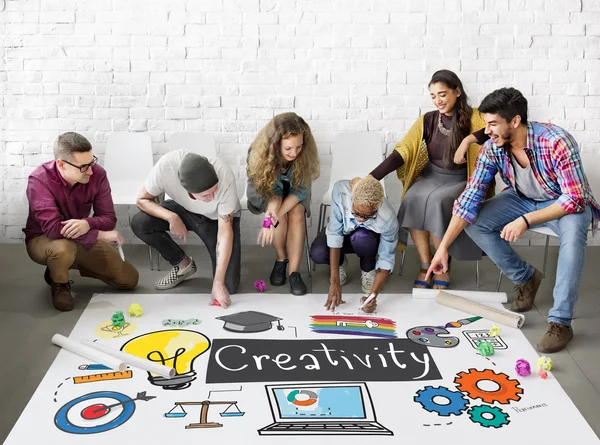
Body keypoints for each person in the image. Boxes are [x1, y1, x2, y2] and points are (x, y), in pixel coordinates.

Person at [427, 87, 600, 353]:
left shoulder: (556, 141)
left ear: (515, 121)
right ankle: (526, 278)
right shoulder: (492, 147)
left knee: (574, 237)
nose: (488, 130)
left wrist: (526, 221)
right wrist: (442, 250)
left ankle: (560, 322)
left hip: (562, 203)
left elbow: (575, 198)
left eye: (494, 123)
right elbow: (468, 200)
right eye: (486, 123)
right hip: (521, 198)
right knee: (475, 221)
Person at [370, 69, 492, 290]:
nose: (438, 100)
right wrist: (373, 177)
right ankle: (427, 264)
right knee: (413, 197)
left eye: (442, 94)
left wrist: (467, 142)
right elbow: (404, 150)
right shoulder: (427, 119)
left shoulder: (476, 117)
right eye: (433, 96)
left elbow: (493, 129)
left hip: (461, 180)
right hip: (431, 175)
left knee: (437, 202)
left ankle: (442, 266)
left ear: (457, 91)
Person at [23, 132, 139, 311]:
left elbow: (109, 218)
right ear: (61, 164)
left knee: (129, 279)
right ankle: (59, 283)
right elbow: (53, 229)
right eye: (84, 166)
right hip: (43, 239)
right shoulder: (39, 180)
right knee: (63, 247)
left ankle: (60, 266)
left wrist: (87, 224)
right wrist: (98, 234)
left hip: (81, 236)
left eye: (92, 162)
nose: (91, 170)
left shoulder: (98, 175)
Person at [131, 149, 241, 308]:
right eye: (206, 195)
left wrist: (218, 283)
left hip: (217, 218)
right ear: (189, 192)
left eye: (214, 190)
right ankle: (183, 264)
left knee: (228, 285)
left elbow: (225, 232)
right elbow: (142, 200)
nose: (212, 197)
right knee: (140, 223)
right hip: (183, 209)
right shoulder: (165, 167)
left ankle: (219, 281)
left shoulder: (224, 175)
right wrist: (171, 217)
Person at [246, 112, 320, 296]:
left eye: (299, 147)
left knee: (296, 213)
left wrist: (273, 218)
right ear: (275, 144)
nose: (294, 153)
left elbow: (300, 191)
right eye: (288, 148)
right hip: (266, 193)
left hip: (295, 193)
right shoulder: (258, 154)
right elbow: (269, 193)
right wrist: (273, 213)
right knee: (280, 216)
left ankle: (294, 271)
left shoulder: (304, 156)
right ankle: (281, 259)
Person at [310, 176, 399, 313]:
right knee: (318, 253)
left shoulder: (388, 218)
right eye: (356, 212)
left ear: (377, 206)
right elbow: (335, 233)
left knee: (362, 236)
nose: (360, 219)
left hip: (366, 241)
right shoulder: (341, 191)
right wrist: (335, 281)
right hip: (343, 234)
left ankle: (368, 268)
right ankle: (339, 263)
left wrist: (373, 296)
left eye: (367, 216)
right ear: (352, 199)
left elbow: (386, 259)